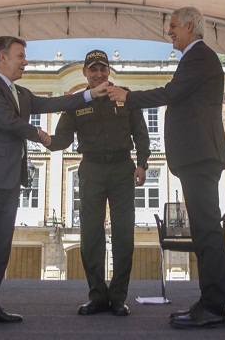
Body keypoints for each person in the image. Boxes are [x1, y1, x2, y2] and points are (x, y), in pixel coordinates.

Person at [0, 36, 109, 332]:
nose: (25, 61)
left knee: (0, 247)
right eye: (20, 56)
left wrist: (91, 95)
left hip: (10, 178)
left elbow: (55, 102)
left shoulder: (21, 93)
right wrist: (36, 133)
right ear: (2, 57)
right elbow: (5, 121)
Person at [106, 6, 225, 329]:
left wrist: (127, 96)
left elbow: (171, 93)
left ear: (189, 26)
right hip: (197, 156)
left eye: (173, 26)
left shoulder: (200, 56)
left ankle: (214, 304)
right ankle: (210, 302)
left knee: (206, 230)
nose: (169, 32)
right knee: (203, 230)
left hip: (200, 156)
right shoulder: (195, 58)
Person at [43, 50, 150, 317]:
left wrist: (142, 163)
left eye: (103, 69)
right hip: (91, 169)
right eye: (93, 70)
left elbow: (141, 132)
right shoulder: (78, 102)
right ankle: (97, 296)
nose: (99, 74)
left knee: (123, 234)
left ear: (109, 70)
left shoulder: (124, 96)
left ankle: (118, 298)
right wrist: (42, 138)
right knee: (90, 234)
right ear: (85, 73)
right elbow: (63, 140)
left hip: (122, 168)